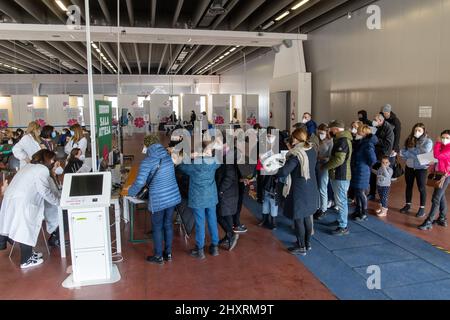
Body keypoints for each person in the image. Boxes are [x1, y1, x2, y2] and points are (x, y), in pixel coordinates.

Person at [0, 150, 60, 269]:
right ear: (46, 159)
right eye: (52, 159)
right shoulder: (42, 170)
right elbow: (45, 191)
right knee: (25, 229)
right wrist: (59, 202)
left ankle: (29, 254)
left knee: (23, 228)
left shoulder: (28, 167)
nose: (54, 162)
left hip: (11, 199)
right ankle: (26, 260)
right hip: (23, 201)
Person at [128, 134, 181, 264]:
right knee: (168, 224)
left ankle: (158, 256)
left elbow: (140, 182)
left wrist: (130, 191)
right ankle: (168, 253)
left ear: (147, 145)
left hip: (159, 198)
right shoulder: (168, 157)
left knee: (157, 227)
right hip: (172, 196)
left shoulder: (148, 161)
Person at [276, 128, 318, 256]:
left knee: (298, 217)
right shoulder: (311, 149)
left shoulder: (296, 154)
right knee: (307, 216)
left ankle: (301, 247)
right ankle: (307, 243)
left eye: (293, 137)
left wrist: (278, 165)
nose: (291, 139)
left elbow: (284, 172)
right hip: (310, 186)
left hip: (299, 189)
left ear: (296, 138)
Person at [177, 143, 221, 260]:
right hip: (211, 196)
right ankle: (215, 247)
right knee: (212, 220)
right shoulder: (214, 162)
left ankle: (200, 250)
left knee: (200, 223)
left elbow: (180, 165)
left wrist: (190, 156)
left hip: (198, 198)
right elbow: (219, 161)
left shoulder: (193, 165)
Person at [322, 120, 353, 236]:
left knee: (341, 201)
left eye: (330, 129)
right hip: (339, 174)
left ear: (335, 129)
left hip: (341, 175)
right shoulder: (341, 139)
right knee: (339, 200)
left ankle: (343, 226)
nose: (329, 131)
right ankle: (340, 220)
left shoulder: (343, 141)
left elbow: (339, 159)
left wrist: (325, 166)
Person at [399, 123, 433, 217]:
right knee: (408, 186)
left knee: (421, 188)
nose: (417, 132)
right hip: (409, 167)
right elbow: (402, 152)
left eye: (419, 130)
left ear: (423, 131)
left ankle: (422, 208)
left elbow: (425, 153)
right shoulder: (409, 139)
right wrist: (415, 154)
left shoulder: (428, 141)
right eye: (415, 130)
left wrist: (410, 152)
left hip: (421, 168)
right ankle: (407, 205)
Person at [418, 130, 450, 230]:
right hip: (439, 174)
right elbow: (435, 158)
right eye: (443, 137)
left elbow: (438, 156)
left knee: (436, 198)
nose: (445, 139)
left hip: (445, 175)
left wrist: (437, 143)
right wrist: (430, 163)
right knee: (441, 196)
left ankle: (429, 221)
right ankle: (442, 218)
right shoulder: (441, 147)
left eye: (447, 138)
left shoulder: (447, 148)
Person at [215, 144, 240, 251]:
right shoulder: (228, 158)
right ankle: (228, 236)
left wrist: (220, 189)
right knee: (227, 215)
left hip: (226, 193)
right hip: (229, 192)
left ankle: (230, 234)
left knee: (219, 215)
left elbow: (229, 177)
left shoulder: (228, 160)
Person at [350, 125, 378, 221]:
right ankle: (358, 210)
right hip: (357, 169)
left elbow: (373, 160)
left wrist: (363, 164)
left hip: (362, 170)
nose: (356, 134)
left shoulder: (368, 144)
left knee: (361, 192)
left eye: (359, 132)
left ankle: (363, 212)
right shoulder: (360, 143)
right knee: (357, 192)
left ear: (364, 134)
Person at [368, 114, 395, 199]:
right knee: (372, 174)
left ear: (380, 120)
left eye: (375, 120)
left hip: (383, 155)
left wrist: (376, 140)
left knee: (383, 177)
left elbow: (388, 144)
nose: (374, 121)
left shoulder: (388, 129)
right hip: (376, 153)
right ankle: (372, 193)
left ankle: (383, 198)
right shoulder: (377, 127)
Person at [314, 124, 333, 220]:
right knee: (316, 187)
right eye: (319, 132)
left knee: (322, 187)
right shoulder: (317, 139)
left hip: (324, 166)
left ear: (326, 132)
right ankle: (317, 207)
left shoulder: (330, 141)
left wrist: (321, 157)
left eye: (322, 133)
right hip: (315, 164)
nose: (320, 134)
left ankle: (323, 209)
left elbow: (330, 156)